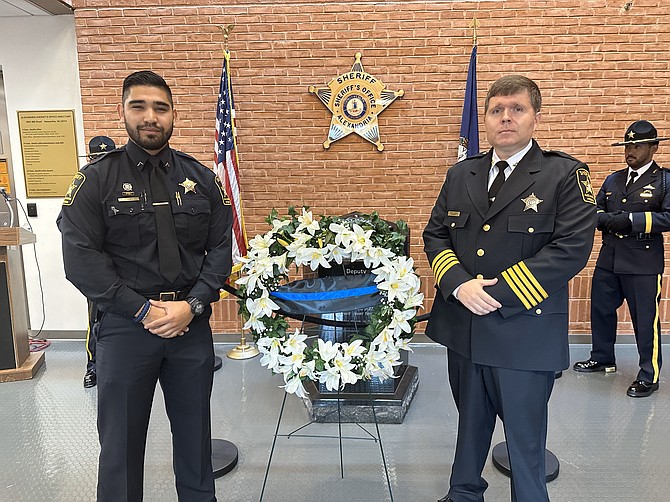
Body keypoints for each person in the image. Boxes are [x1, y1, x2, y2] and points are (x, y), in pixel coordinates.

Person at [58, 70, 232, 502]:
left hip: (189, 328)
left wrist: (192, 305)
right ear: (122, 112)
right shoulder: (97, 180)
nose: (150, 116)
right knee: (120, 447)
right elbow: (81, 259)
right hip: (124, 329)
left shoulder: (202, 179)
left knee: (196, 442)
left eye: (160, 107)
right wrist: (142, 310)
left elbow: (220, 250)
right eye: (139, 106)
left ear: (173, 115)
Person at [423, 75, 596, 502]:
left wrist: (494, 294)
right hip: (463, 328)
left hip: (524, 333)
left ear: (535, 116)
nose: (506, 117)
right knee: (469, 427)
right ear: (485, 119)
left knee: (524, 438)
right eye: (496, 110)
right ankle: (463, 494)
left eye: (516, 109)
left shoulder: (564, 175)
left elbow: (570, 250)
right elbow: (436, 234)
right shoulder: (461, 173)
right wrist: (460, 286)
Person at [573, 120, 669, 398]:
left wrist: (630, 220)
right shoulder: (613, 179)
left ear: (653, 147)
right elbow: (593, 210)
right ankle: (603, 358)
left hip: (643, 262)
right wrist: (605, 219)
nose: (631, 151)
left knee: (645, 319)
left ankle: (649, 375)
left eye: (637, 146)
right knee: (601, 310)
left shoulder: (664, 180)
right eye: (628, 145)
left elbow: (668, 217)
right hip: (610, 257)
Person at [82, 136, 117, 389]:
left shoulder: (122, 179)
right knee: (96, 318)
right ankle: (93, 367)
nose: (101, 161)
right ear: (90, 157)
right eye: (97, 157)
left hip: (123, 267)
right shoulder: (85, 181)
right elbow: (66, 223)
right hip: (98, 268)